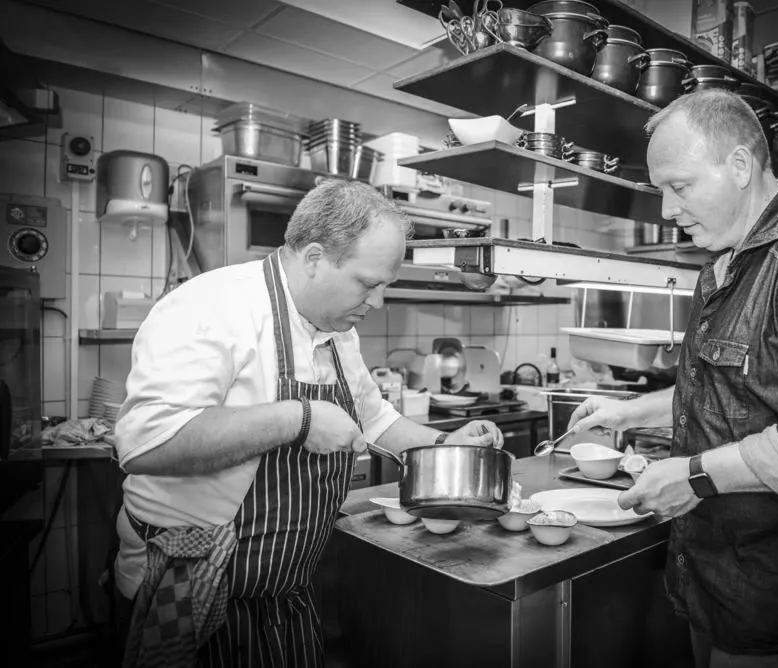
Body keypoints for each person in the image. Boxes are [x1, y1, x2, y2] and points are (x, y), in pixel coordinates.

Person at [569, 90, 778, 666]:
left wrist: (696, 476)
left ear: (742, 165)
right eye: (660, 192)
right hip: (720, 578)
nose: (667, 209)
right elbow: (726, 384)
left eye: (679, 186)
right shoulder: (723, 266)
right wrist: (631, 412)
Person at [112, 178, 504, 667]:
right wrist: (296, 418)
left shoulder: (336, 327)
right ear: (315, 257)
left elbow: (374, 418)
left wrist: (448, 444)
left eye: (386, 286)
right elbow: (145, 445)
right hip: (194, 588)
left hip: (286, 590)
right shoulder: (210, 308)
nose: (378, 303)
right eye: (368, 283)